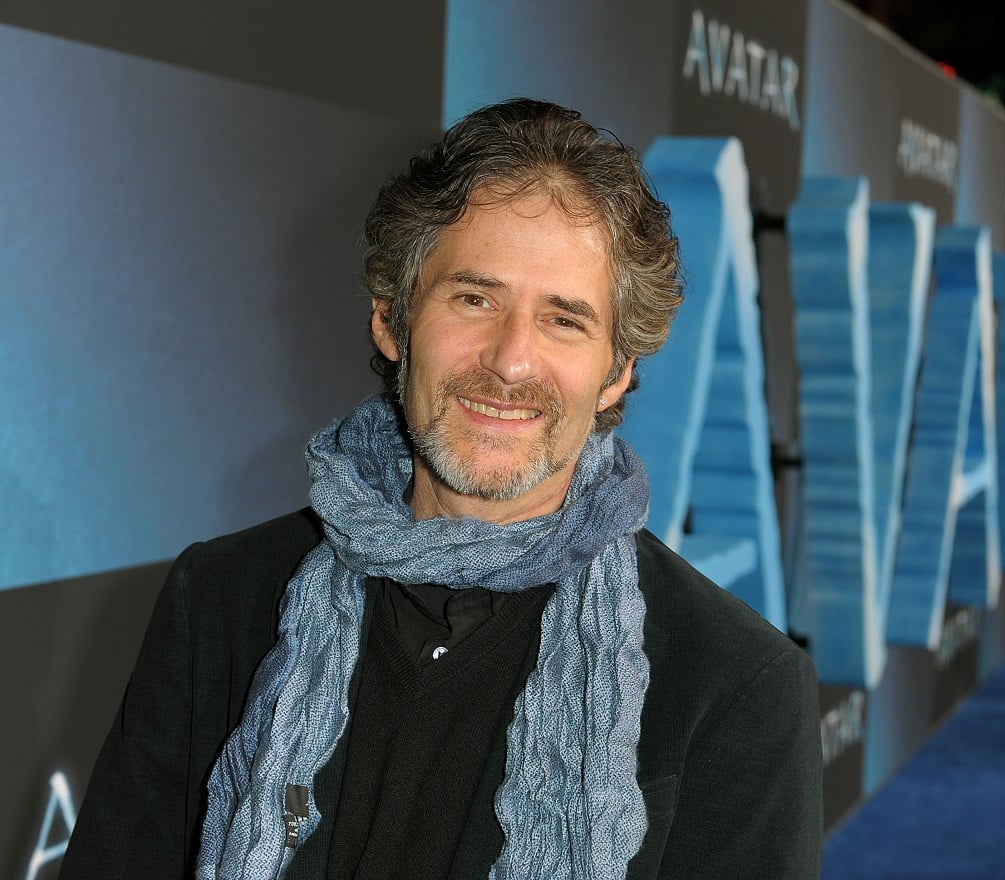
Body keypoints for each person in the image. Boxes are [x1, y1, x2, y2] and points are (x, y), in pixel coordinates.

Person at [59, 97, 823, 879]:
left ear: (617, 372)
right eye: (474, 298)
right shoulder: (221, 601)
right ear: (392, 322)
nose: (511, 360)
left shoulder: (733, 686)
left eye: (564, 320)